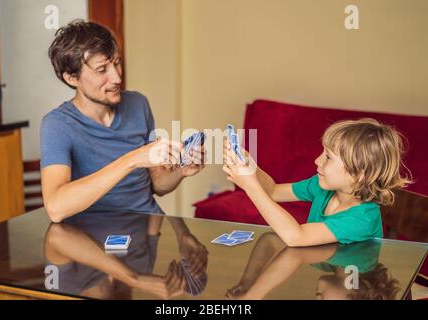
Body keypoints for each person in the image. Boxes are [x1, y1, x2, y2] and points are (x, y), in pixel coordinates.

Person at [41, 20, 204, 222]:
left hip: (148, 228)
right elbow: (56, 208)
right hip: (94, 237)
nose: (117, 77)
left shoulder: (138, 104)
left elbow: (157, 185)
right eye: (102, 70)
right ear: (72, 78)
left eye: (117, 63)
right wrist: (132, 160)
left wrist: (180, 171)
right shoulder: (57, 125)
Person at [223, 118, 411, 247]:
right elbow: (272, 191)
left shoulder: (362, 219)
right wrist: (250, 165)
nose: (317, 161)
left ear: (360, 174)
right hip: (325, 277)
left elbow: (296, 237)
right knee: (270, 240)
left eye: (328, 157)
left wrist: (251, 187)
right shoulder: (322, 187)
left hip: (353, 292)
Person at [44, 211, 208, 299]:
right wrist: (182, 232)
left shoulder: (63, 288)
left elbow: (55, 236)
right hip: (138, 175)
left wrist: (132, 278)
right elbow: (155, 201)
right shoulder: (145, 269)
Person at [226, 233, 400, 300]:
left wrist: (247, 284)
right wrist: (252, 297)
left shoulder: (327, 264)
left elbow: (269, 241)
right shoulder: (357, 261)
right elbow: (295, 254)